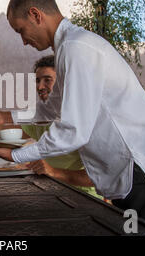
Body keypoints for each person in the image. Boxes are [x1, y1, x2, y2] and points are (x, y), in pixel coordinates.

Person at [0, 0, 145, 235]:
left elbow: (73, 131)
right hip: (134, 173)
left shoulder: (76, 48)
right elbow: (52, 109)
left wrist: (16, 156)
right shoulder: (69, 47)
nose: (24, 41)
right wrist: (7, 116)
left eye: (21, 31)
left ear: (36, 15)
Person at [22, 55, 102, 199]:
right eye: (37, 81)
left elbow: (99, 176)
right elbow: (11, 134)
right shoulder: (40, 115)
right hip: (50, 192)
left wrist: (54, 172)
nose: (40, 87)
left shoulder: (85, 118)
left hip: (83, 198)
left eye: (47, 80)